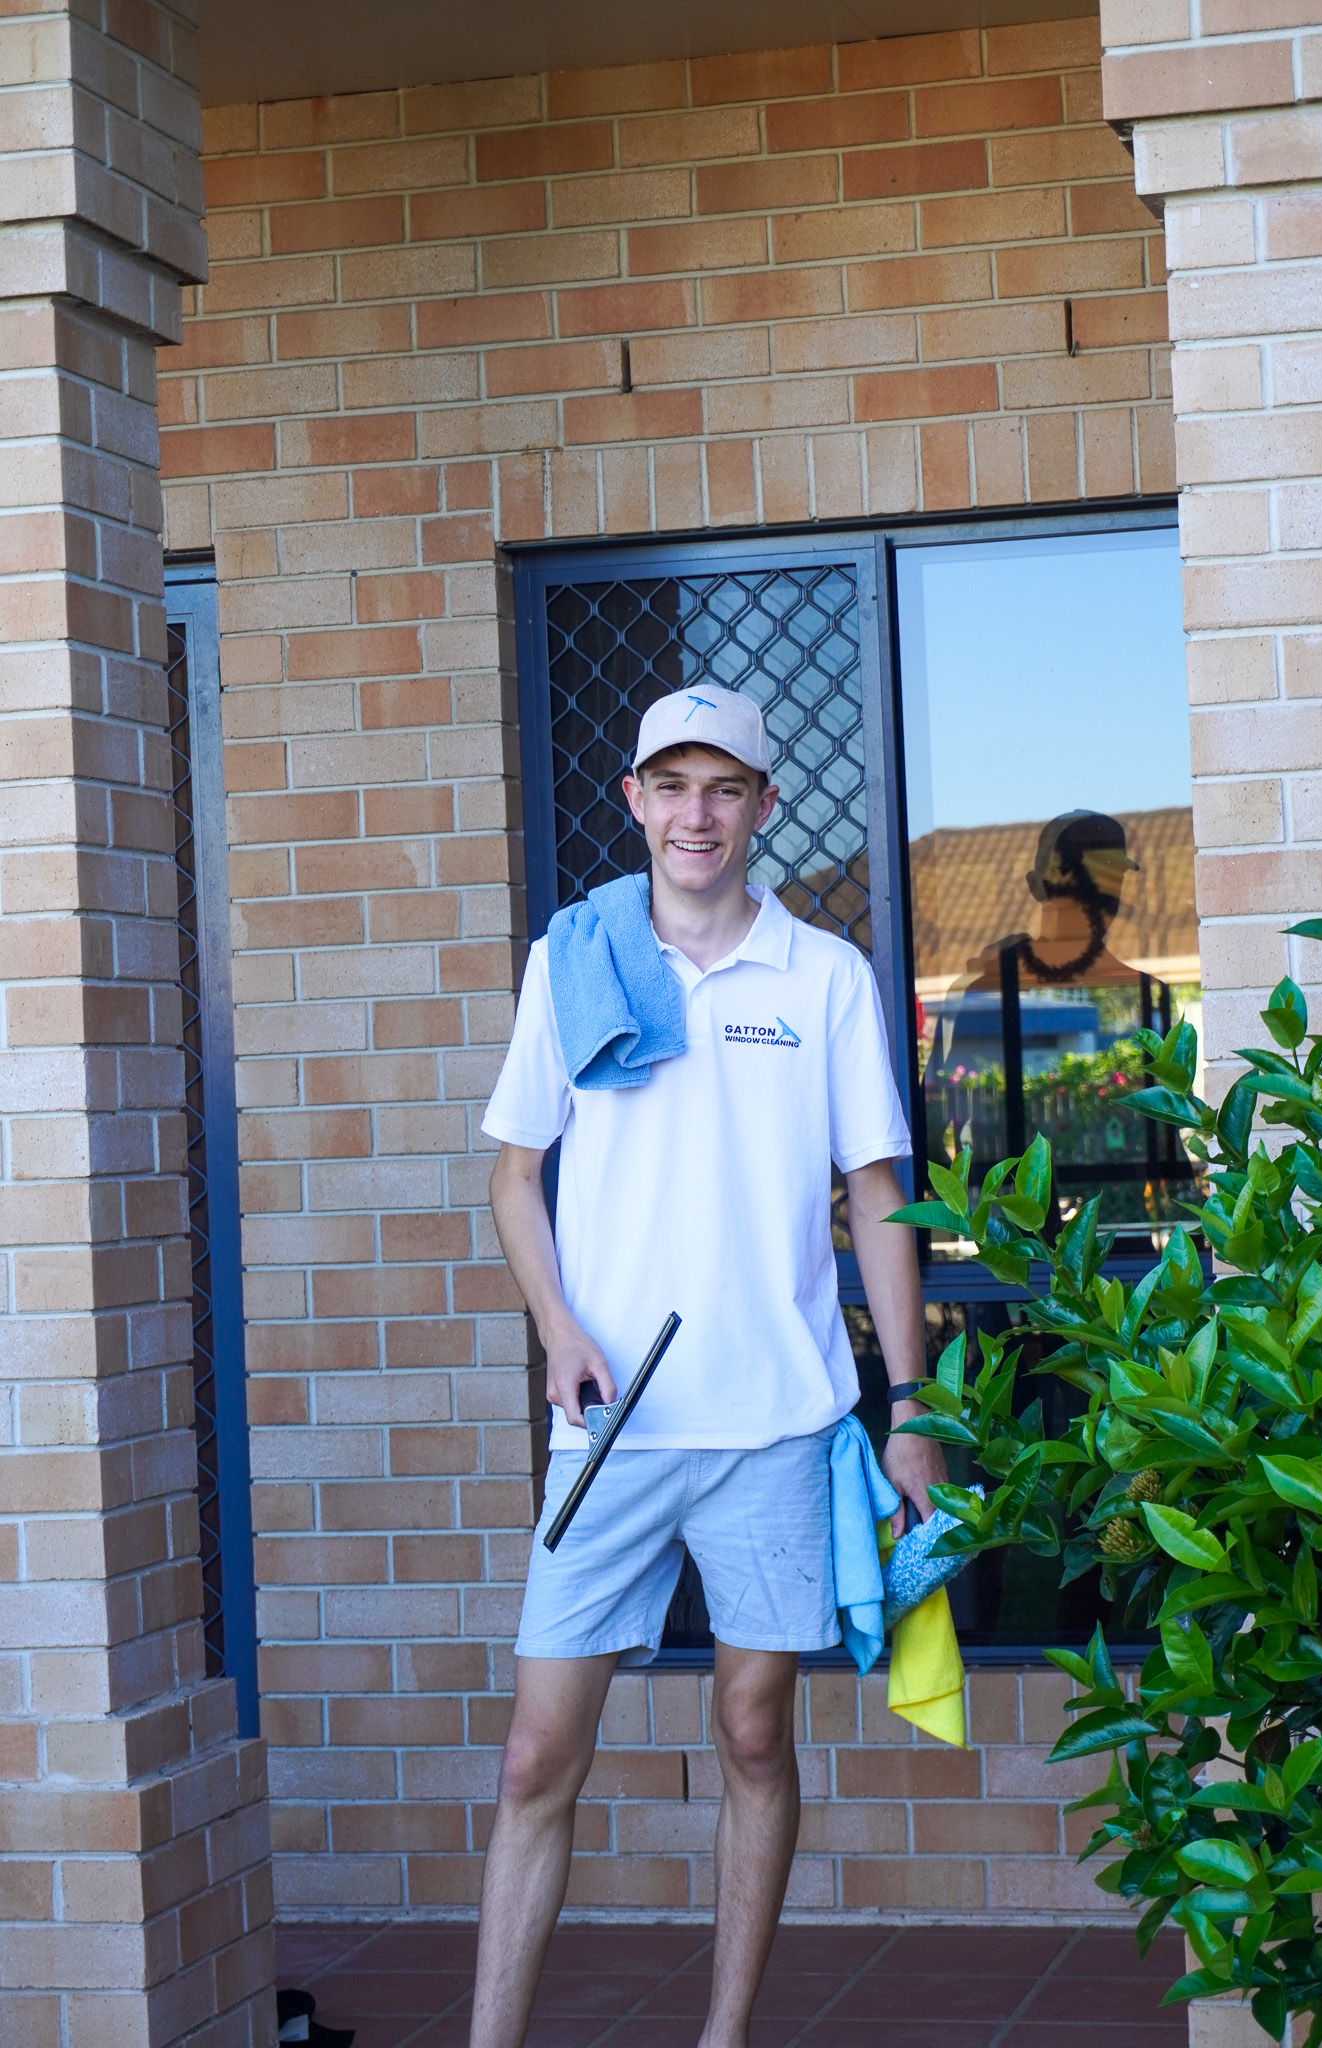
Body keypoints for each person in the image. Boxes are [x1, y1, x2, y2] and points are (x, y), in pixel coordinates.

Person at [472, 685, 946, 2048]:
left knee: (751, 1732)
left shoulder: (824, 979)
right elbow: (515, 1179)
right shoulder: (572, 962)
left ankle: (723, 2036)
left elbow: (875, 1199)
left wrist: (904, 1407)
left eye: (723, 787)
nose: (696, 814)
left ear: (762, 808)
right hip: (612, 1431)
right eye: (669, 785)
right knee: (530, 1759)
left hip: (773, 1425)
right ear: (632, 800)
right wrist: (558, 1327)